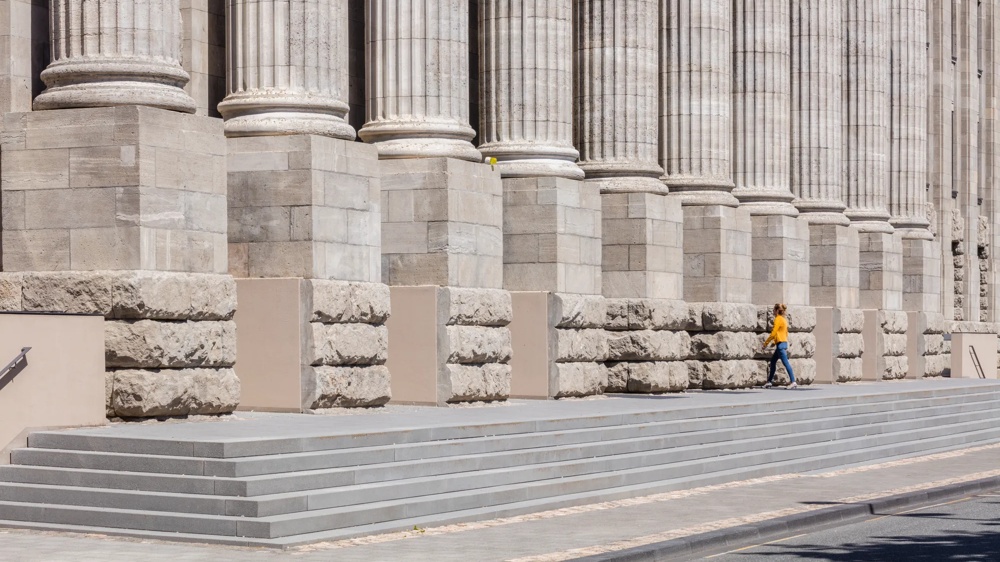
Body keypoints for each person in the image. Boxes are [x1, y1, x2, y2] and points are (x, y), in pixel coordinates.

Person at [762, 303, 797, 389]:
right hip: (782, 343)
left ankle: (793, 381)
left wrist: (765, 344)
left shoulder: (777, 319)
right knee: (773, 362)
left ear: (777, 311)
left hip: (780, 345)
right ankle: (769, 382)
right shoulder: (783, 319)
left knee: (786, 363)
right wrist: (775, 342)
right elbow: (784, 333)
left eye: (774, 310)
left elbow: (773, 333)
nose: (773, 311)